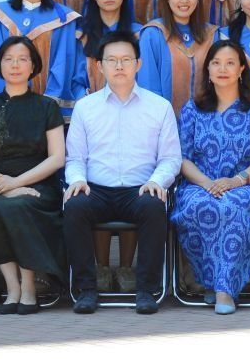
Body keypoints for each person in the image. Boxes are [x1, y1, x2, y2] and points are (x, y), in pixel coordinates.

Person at [64, 31, 181, 315]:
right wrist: (77, 180)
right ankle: (86, 289)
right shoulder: (85, 108)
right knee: (74, 206)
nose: (119, 66)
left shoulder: (159, 107)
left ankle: (146, 290)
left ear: (138, 64)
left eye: (126, 60)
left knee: (154, 206)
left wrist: (156, 181)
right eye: (112, 60)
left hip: (140, 189)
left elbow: (170, 158)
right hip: (96, 189)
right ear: (99, 66)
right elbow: (75, 158)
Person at [170, 40, 250, 314]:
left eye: (230, 63)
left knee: (232, 206)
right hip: (200, 184)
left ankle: (224, 290)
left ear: (242, 69)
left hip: (248, 184)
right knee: (202, 205)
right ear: (207, 69)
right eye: (216, 63)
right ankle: (213, 280)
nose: (223, 69)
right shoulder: (193, 109)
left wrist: (235, 181)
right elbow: (183, 158)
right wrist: (207, 184)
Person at [0, 36, 67, 314]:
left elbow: (57, 157)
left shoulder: (47, 106)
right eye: (9, 59)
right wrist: (5, 186)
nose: (15, 65)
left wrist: (19, 184)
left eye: (22, 59)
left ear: (33, 65)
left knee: (20, 206)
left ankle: (28, 287)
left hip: (39, 185)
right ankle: (12, 287)